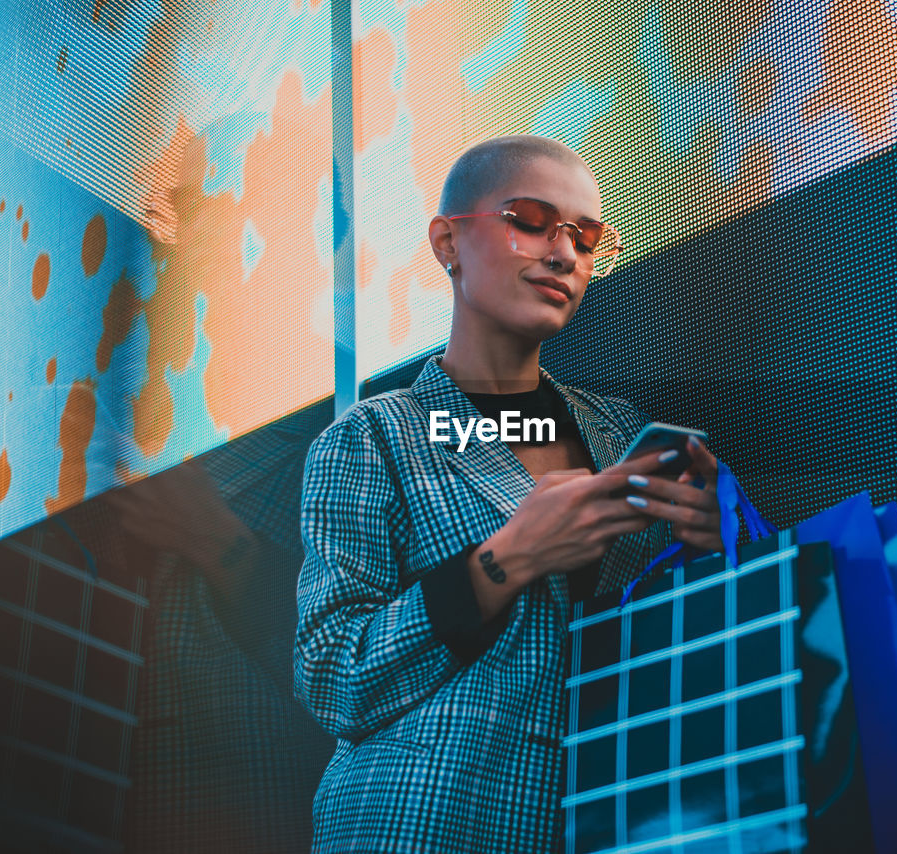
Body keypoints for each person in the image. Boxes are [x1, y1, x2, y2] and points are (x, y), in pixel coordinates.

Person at [293, 135, 728, 853]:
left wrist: (712, 542)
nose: (565, 256)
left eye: (587, 238)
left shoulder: (620, 431)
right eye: (530, 219)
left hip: (611, 818)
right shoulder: (376, 436)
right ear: (448, 242)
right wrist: (507, 559)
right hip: (422, 825)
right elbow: (333, 674)